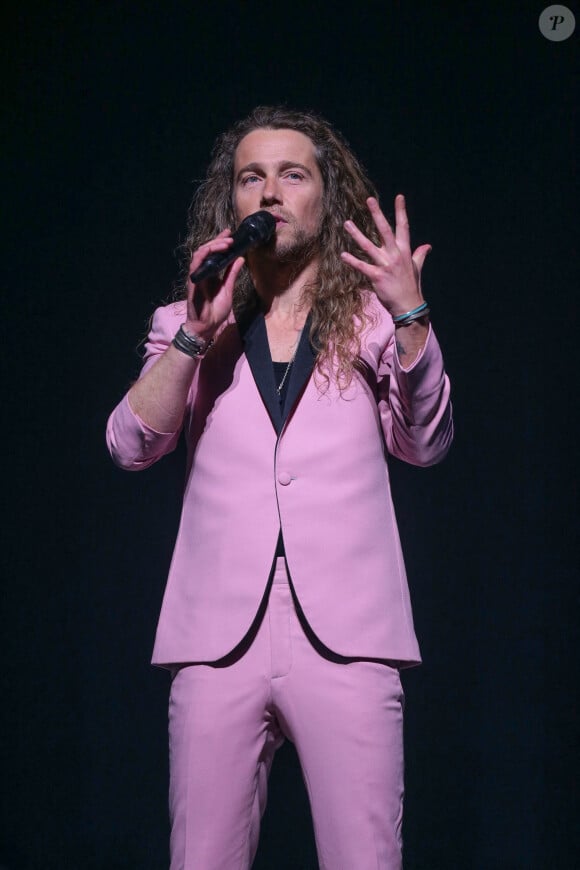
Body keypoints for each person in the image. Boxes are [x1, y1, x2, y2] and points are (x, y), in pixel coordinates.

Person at [107, 105, 453, 870]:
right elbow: (131, 445)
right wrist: (198, 335)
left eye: (292, 175)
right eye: (250, 177)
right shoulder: (190, 319)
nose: (270, 192)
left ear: (324, 199)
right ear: (230, 204)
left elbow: (425, 443)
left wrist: (412, 316)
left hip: (350, 637)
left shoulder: (371, 321)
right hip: (216, 639)